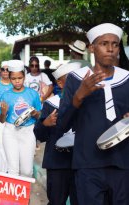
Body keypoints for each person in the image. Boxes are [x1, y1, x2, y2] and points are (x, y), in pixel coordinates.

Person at [58, 23, 129, 204]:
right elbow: (62, 124)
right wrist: (78, 96)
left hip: (123, 163)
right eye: (104, 43)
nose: (110, 49)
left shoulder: (127, 78)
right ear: (91, 48)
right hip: (88, 164)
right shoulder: (75, 79)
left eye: (115, 44)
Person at [34, 63, 81, 205]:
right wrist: (45, 124)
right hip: (57, 163)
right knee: (56, 200)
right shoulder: (51, 104)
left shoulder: (88, 101)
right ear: (60, 83)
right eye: (73, 79)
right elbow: (39, 135)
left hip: (81, 162)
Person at [0, 60, 41, 177]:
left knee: (27, 171)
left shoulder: (33, 94)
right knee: (13, 170)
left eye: (20, 78)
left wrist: (34, 113)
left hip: (28, 131)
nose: (17, 81)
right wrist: (3, 113)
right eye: (13, 78)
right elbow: (1, 120)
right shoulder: (5, 95)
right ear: (10, 78)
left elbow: (40, 116)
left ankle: (25, 195)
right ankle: (13, 196)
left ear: (24, 76)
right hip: (10, 131)